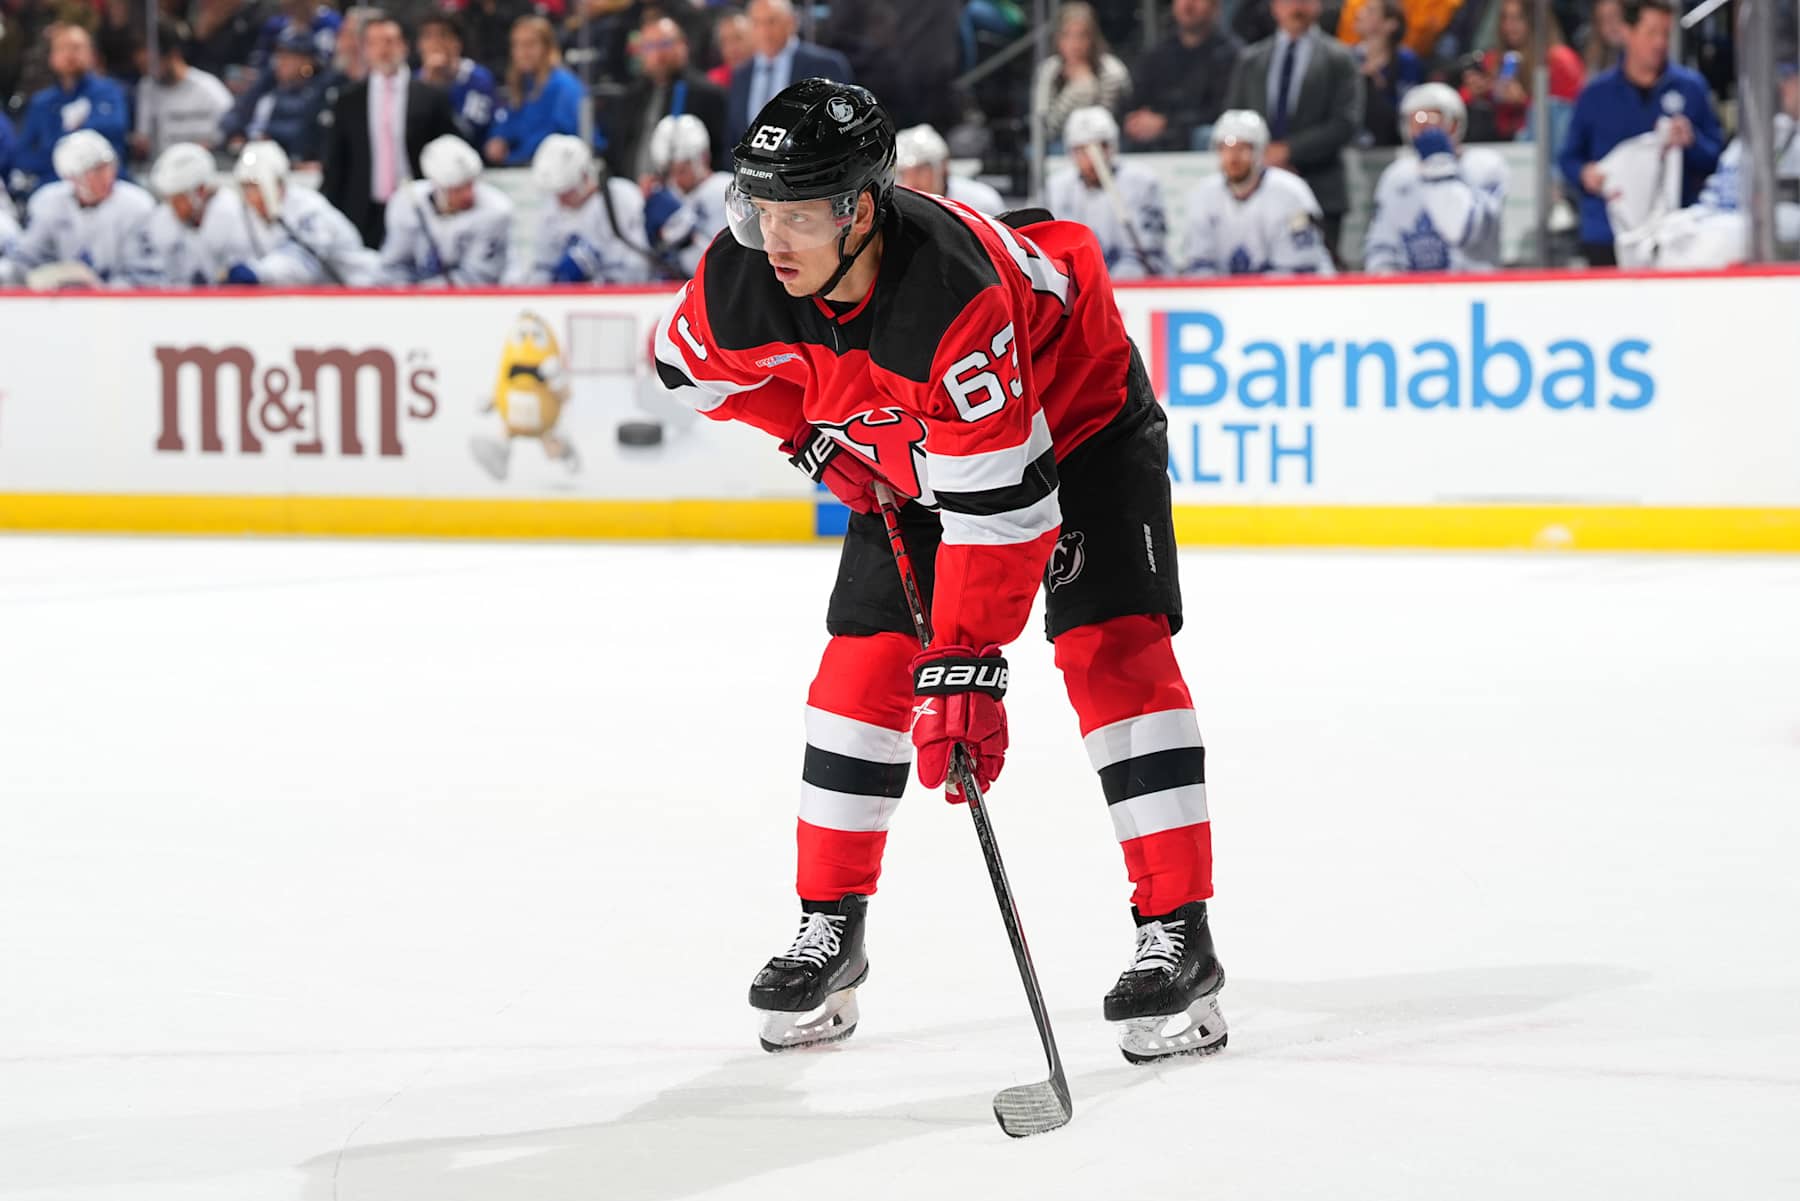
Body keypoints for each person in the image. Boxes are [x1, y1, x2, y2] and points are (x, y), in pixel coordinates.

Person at [653, 78, 1224, 1064]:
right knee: (859, 672)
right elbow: (682, 368)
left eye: (798, 215)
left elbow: (1003, 516)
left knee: (1111, 649)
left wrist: (965, 667)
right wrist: (810, 438)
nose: (771, 237)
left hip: (1077, 422)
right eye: (759, 208)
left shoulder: (949, 299)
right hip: (915, 448)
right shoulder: (744, 275)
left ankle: (1179, 931)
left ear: (860, 209)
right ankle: (830, 925)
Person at [1557, 0, 1721, 266]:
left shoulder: (1691, 88)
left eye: (1665, 33)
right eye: (1651, 33)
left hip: (1673, 233)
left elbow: (1715, 158)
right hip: (1607, 233)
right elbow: (1568, 159)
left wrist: (1692, 142)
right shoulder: (1595, 95)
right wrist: (1585, 173)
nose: (1659, 43)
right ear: (1627, 32)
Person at [1623, 63, 1800, 268]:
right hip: (1722, 219)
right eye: (1785, 78)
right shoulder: (1770, 131)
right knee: (1664, 236)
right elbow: (1718, 194)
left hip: (1761, 235)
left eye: (1792, 78)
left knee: (1723, 236)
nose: (1783, 86)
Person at [1225, 0, 1362, 260]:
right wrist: (1259, 156)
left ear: (1318, 6)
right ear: (1274, 7)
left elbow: (1346, 122)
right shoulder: (1251, 59)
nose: (1296, 7)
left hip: (1320, 187)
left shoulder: (1340, 58)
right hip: (1256, 188)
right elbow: (1234, 118)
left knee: (1319, 271)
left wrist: (1288, 151)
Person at [319, 13, 461, 248]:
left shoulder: (431, 97)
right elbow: (336, 163)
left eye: (389, 41)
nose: (383, 50)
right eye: (374, 43)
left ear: (404, 46)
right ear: (365, 50)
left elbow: (450, 150)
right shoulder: (348, 100)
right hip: (363, 212)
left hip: (419, 209)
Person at [1363, 84, 1507, 273]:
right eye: (1417, 120)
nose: (1424, 128)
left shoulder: (1485, 166)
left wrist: (1439, 166)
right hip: (1412, 286)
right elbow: (1382, 244)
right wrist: (1385, 280)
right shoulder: (1397, 175)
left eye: (1432, 119)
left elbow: (1461, 231)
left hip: (1471, 283)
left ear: (1455, 123)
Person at [1178, 109, 1332, 276]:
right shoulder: (1203, 195)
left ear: (1260, 151)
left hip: (1293, 288)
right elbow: (1197, 264)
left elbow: (1299, 268)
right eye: (1225, 148)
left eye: (1242, 148)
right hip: (1229, 290)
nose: (1233, 157)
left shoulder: (1291, 193)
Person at [2, 130, 155, 287]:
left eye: (108, 166)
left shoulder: (137, 205)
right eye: (95, 171)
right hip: (59, 300)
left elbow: (144, 273)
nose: (106, 176)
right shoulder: (48, 203)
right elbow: (26, 259)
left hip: (120, 299)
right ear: (71, 177)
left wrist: (102, 292)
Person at [227, 139, 382, 285]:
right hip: (296, 296)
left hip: (357, 286)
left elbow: (305, 263)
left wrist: (259, 272)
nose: (250, 196)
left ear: (277, 183)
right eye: (246, 187)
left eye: (255, 187)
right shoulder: (247, 215)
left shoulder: (309, 208)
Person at [1044, 106, 1168, 278]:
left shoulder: (1143, 182)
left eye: (1100, 147)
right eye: (1082, 150)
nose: (1092, 158)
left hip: (1134, 282)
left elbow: (1148, 250)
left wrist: (1105, 284)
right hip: (1076, 280)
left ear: (1113, 146)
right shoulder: (1056, 187)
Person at [378, 133, 513, 286]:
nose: (468, 194)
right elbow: (393, 266)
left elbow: (478, 278)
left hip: (485, 297)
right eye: (458, 189)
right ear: (437, 187)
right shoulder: (407, 202)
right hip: (419, 293)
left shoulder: (495, 210)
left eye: (471, 184)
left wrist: (422, 292)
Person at [519, 132, 652, 284]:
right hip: (567, 296)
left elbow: (637, 267)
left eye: (566, 192)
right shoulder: (551, 209)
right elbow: (543, 266)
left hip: (615, 292)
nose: (560, 200)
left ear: (584, 176)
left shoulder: (621, 198)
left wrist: (594, 276)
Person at [14, 24, 132, 195]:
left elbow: (113, 130)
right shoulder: (41, 102)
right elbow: (23, 153)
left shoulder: (110, 92)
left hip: (107, 188)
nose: (70, 54)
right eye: (62, 48)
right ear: (51, 57)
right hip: (55, 187)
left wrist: (58, 142)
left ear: (92, 54)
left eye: (76, 47)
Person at [608, 15, 730, 181]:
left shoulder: (709, 95)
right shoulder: (629, 98)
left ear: (683, 45)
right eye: (650, 46)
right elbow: (615, 154)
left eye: (665, 44)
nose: (658, 54)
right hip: (632, 190)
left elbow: (722, 156)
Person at [128, 140, 256, 286]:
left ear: (200, 191)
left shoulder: (232, 213)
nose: (173, 208)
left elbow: (245, 268)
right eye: (169, 200)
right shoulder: (163, 218)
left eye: (178, 199)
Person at [726, 0, 854, 145]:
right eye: (757, 23)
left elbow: (842, 126)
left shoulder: (825, 66)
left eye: (771, 22)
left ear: (791, 22)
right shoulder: (741, 75)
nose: (764, 31)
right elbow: (733, 139)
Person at [1122, 0, 1242, 152]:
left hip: (1196, 137)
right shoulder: (1158, 53)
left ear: (1215, 7)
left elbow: (1221, 111)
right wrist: (1135, 120)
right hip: (1156, 138)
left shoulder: (1232, 55)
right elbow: (1134, 99)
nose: (1188, 4)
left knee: (1205, 134)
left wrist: (1166, 123)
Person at [1460, 0, 1584, 145]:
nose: (1508, 26)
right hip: (1498, 144)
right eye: (1505, 18)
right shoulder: (1494, 60)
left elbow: (1567, 116)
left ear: (1534, 21)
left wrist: (1523, 102)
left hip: (1545, 145)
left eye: (1517, 18)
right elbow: (1458, 103)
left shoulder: (1560, 60)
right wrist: (1474, 92)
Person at [484, 15, 583, 166]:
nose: (521, 52)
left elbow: (555, 135)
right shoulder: (523, 84)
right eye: (516, 45)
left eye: (529, 44)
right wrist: (499, 139)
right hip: (524, 165)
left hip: (558, 166)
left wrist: (512, 157)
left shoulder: (563, 85)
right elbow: (509, 122)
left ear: (547, 48)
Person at [220, 27, 330, 162]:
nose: (280, 62)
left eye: (288, 57)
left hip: (285, 159)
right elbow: (233, 115)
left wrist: (267, 134)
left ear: (307, 61)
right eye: (279, 55)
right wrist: (236, 134)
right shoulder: (267, 83)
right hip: (246, 153)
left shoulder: (316, 92)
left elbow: (304, 131)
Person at [1031, 2, 1131, 147]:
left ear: (1093, 39)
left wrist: (1087, 86)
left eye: (1082, 36)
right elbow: (1046, 129)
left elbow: (1108, 124)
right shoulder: (1049, 70)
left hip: (1104, 144)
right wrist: (1076, 89)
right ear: (1058, 39)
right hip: (1061, 144)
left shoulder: (1112, 71)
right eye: (1067, 35)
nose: (1075, 44)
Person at [132, 21, 235, 162]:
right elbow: (144, 138)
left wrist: (212, 147)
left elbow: (232, 132)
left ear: (172, 55)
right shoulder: (147, 88)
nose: (147, 72)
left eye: (149, 64)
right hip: (164, 168)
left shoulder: (209, 89)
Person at [643, 113, 730, 279]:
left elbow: (725, 260)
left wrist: (685, 233)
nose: (675, 180)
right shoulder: (667, 197)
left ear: (703, 158)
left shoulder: (724, 189)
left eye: (681, 170)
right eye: (669, 172)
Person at [417, 14, 500, 147]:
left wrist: (437, 89)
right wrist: (426, 85)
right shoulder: (414, 82)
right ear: (419, 45)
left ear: (457, 43)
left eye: (443, 35)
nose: (435, 43)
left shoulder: (477, 79)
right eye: (428, 36)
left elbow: (468, 133)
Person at [1352, 0, 1422, 149]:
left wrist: (1375, 84)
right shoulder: (1349, 57)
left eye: (1370, 11)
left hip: (1391, 144)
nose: (1359, 14)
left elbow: (1408, 108)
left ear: (1390, 24)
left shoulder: (1406, 61)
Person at [895, 124, 1005, 215]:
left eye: (921, 170)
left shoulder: (982, 202)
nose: (911, 181)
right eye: (902, 173)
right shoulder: (895, 207)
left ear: (944, 166)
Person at [708, 11, 752, 90]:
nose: (731, 49)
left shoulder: (766, 74)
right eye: (724, 41)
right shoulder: (714, 80)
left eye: (738, 38)